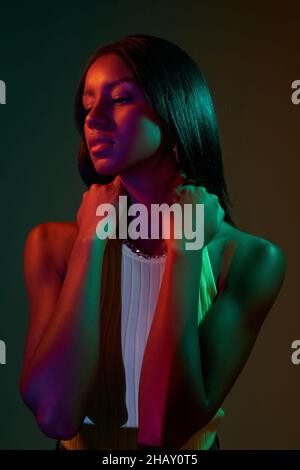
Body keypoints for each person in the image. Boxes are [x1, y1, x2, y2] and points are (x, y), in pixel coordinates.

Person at [19, 34, 286, 451]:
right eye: (88, 105)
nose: (94, 118)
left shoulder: (251, 260)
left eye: (121, 99)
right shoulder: (51, 245)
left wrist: (184, 249)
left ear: (174, 109)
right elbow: (55, 414)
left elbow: (162, 432)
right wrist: (91, 239)